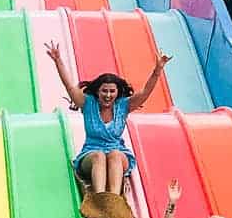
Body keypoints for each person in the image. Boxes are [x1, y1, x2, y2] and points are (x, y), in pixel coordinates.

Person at [44, 40, 172, 195]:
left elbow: (145, 92)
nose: (108, 95)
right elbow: (70, 86)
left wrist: (158, 70)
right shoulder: (87, 104)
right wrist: (58, 61)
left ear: (118, 92)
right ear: (97, 92)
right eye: (104, 91)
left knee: (114, 154)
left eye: (112, 91)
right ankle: (100, 197)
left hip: (117, 153)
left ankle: (113, 198)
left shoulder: (123, 106)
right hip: (91, 153)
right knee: (99, 156)